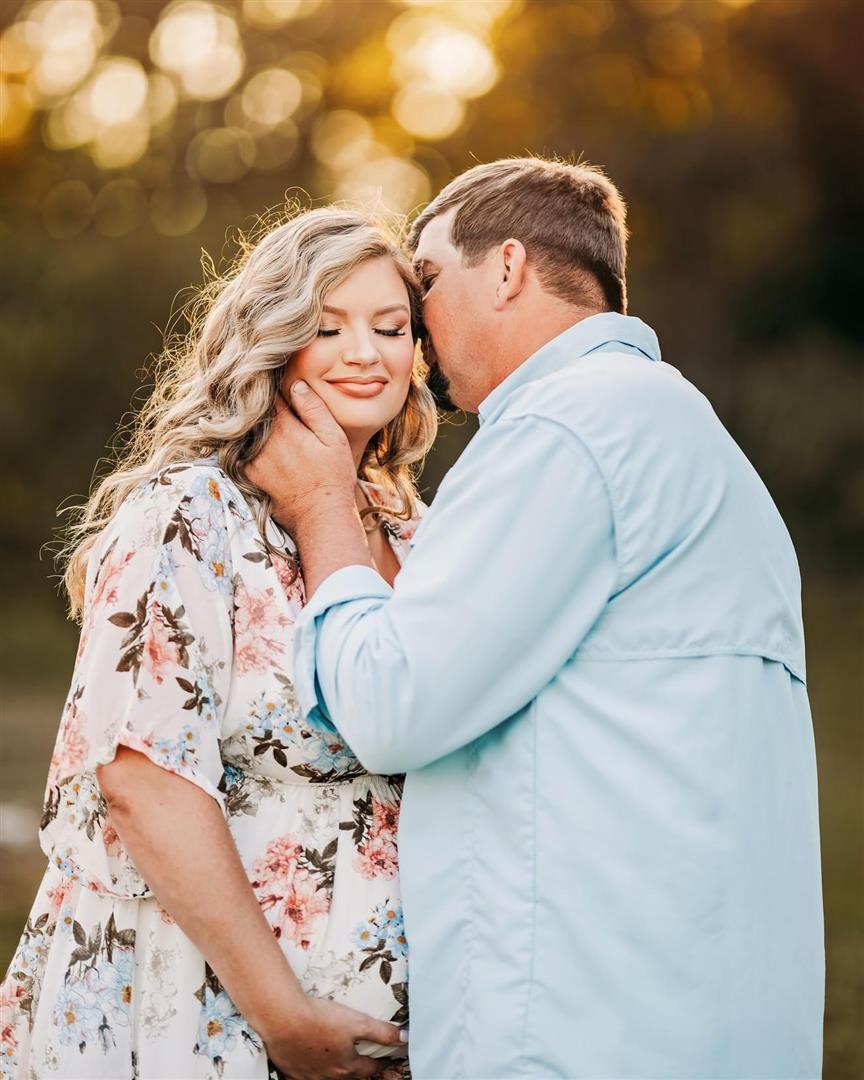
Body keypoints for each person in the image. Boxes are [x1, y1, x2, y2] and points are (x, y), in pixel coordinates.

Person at [247, 158, 825, 1079]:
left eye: (425, 282)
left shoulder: (566, 429)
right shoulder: (678, 427)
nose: (414, 330)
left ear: (508, 268)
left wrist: (321, 506)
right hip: (699, 1013)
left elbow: (394, 703)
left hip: (581, 1024)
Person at [0, 207, 438, 1079]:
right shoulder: (188, 515)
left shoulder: (410, 523)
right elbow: (142, 782)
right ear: (270, 341)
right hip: (198, 1009)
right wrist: (283, 1017)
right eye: (327, 327)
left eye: (391, 329)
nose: (365, 352)